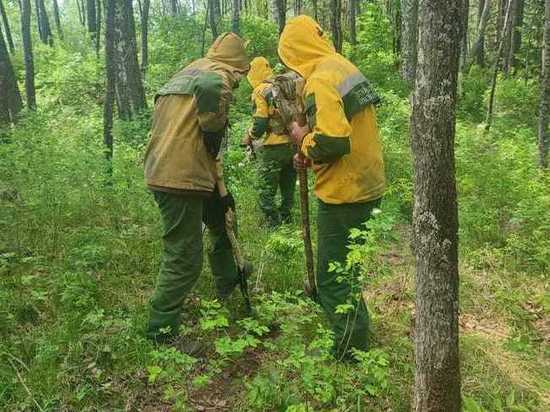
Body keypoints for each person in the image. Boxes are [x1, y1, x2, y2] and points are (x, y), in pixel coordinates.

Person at [278, 16, 386, 359]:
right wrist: (311, 157)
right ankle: (357, 334)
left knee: (333, 276)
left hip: (345, 192)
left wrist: (303, 139)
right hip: (367, 183)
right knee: (349, 268)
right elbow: (348, 131)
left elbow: (335, 141)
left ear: (293, 52)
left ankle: (349, 352)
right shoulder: (341, 66)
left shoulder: (320, 79)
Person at [143, 32, 250, 343]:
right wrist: (215, 127)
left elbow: (201, 141)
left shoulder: (187, 71)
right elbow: (211, 92)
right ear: (236, 65)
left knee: (221, 216)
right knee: (184, 257)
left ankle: (229, 281)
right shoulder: (216, 74)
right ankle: (160, 334)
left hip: (172, 169)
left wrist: (221, 184)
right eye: (240, 75)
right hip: (180, 178)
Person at [244, 57, 297, 227]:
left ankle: (272, 222)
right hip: (293, 143)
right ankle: (286, 218)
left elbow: (260, 123)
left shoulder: (260, 90)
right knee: (288, 184)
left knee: (266, 187)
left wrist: (250, 135)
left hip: (274, 147)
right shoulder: (280, 86)